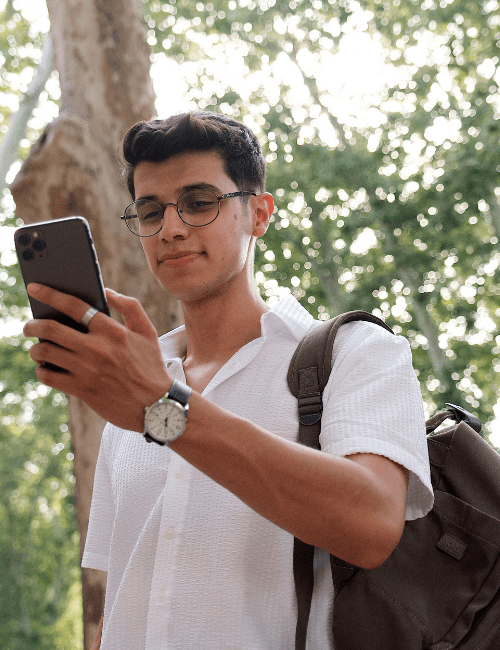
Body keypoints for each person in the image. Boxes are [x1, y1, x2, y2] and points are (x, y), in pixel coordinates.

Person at [23, 112, 433, 649]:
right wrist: (152, 398)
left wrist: (165, 409)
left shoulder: (356, 353)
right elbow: (120, 596)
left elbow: (374, 524)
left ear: (258, 214)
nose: (171, 228)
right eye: (150, 211)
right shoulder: (135, 388)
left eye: (199, 203)